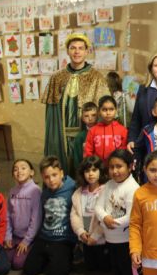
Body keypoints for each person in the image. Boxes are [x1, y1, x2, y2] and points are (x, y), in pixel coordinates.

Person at [42, 33, 109, 172]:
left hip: (86, 134)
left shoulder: (96, 77)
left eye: (80, 48)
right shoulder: (57, 77)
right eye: (73, 48)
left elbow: (105, 111)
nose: (77, 51)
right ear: (67, 51)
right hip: (62, 136)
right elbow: (51, 116)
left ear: (86, 51)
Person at [23, 156, 77, 275]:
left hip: (63, 239)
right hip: (45, 237)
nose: (51, 180)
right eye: (46, 177)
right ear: (42, 177)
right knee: (29, 271)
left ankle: (64, 257)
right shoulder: (45, 193)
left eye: (54, 175)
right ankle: (49, 257)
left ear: (61, 173)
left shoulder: (73, 188)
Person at [94, 149, 140, 275]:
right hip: (109, 237)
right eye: (111, 167)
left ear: (130, 167)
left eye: (119, 166)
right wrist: (104, 218)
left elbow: (131, 216)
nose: (114, 171)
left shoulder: (133, 188)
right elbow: (98, 207)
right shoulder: (108, 185)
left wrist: (112, 222)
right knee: (115, 272)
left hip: (125, 240)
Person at [70, 156, 110, 272]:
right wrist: (80, 231)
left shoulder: (106, 190)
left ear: (100, 171)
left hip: (102, 238)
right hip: (86, 237)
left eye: (94, 170)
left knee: (104, 269)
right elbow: (75, 215)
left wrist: (96, 236)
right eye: (87, 171)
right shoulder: (79, 192)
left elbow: (106, 216)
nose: (90, 174)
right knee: (90, 268)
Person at [4, 159, 42, 270]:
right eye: (15, 169)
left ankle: (34, 247)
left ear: (32, 172)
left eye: (23, 168)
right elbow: (8, 215)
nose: (19, 171)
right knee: (6, 261)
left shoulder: (35, 191)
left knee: (18, 264)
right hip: (15, 236)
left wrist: (27, 240)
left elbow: (36, 219)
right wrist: (7, 236)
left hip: (29, 237)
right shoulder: (12, 191)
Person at [84, 95, 128, 164]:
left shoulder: (122, 130)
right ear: (99, 111)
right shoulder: (93, 131)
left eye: (111, 109)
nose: (108, 113)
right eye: (104, 110)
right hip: (98, 168)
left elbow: (125, 151)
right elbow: (88, 152)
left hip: (117, 167)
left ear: (116, 110)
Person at [70, 102, 98, 177]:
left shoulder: (103, 133)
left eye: (93, 115)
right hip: (87, 173)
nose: (90, 118)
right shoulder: (80, 137)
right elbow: (77, 160)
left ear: (98, 115)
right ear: (82, 118)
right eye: (86, 116)